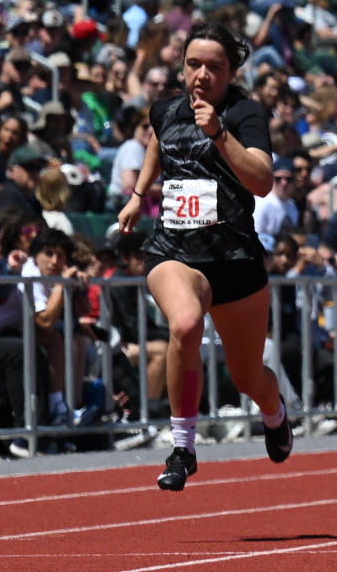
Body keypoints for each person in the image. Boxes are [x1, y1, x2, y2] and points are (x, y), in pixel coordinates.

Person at [119, 29, 293, 491]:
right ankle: (183, 448)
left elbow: (261, 182)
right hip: (175, 250)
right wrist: (139, 195)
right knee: (184, 324)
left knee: (247, 375)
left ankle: (275, 414)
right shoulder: (166, 109)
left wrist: (218, 132)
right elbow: (158, 140)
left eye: (214, 66)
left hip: (235, 260)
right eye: (194, 64)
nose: (202, 74)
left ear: (231, 73)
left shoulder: (246, 113)